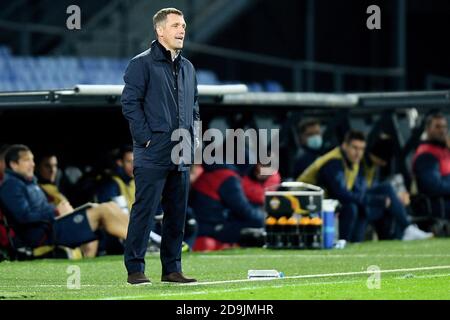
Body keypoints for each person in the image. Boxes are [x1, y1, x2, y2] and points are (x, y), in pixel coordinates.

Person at [121, 8, 199, 285]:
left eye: (184, 25)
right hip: (152, 153)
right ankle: (135, 270)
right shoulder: (140, 64)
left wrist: (195, 139)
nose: (182, 30)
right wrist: (146, 138)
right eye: (176, 25)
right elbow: (129, 104)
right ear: (160, 30)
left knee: (176, 214)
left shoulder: (188, 67)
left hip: (181, 152)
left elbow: (194, 108)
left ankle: (172, 269)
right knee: (145, 211)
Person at [0, 145, 129, 253]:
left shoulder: (29, 183)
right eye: (27, 160)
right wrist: (56, 212)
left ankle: (141, 241)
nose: (32, 164)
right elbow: (24, 217)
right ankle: (140, 244)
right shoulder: (11, 185)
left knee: (108, 205)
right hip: (45, 234)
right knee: (103, 210)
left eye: (32, 160)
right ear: (14, 164)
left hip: (53, 225)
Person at [298, 130, 388, 242]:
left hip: (325, 201)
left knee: (361, 206)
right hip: (303, 201)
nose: (358, 153)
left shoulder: (354, 162)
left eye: (361, 149)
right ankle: (343, 242)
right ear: (345, 146)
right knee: (351, 207)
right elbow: (341, 193)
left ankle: (355, 243)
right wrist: (375, 200)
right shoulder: (333, 162)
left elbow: (355, 191)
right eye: (355, 148)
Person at [363, 134, 433, 240]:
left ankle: (402, 233)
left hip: (370, 201)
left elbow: (373, 187)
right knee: (387, 191)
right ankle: (408, 228)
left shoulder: (373, 166)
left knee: (392, 200)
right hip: (362, 201)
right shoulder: (361, 164)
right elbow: (363, 190)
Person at [190, 163, 266, 245]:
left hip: (202, 223)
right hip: (209, 226)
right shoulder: (227, 177)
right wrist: (265, 218)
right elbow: (244, 210)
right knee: (259, 223)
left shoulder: (213, 171)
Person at [412, 112, 450, 221]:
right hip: (438, 204)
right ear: (428, 129)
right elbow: (433, 186)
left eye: (444, 127)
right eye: (437, 127)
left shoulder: (444, 150)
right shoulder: (426, 154)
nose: (442, 130)